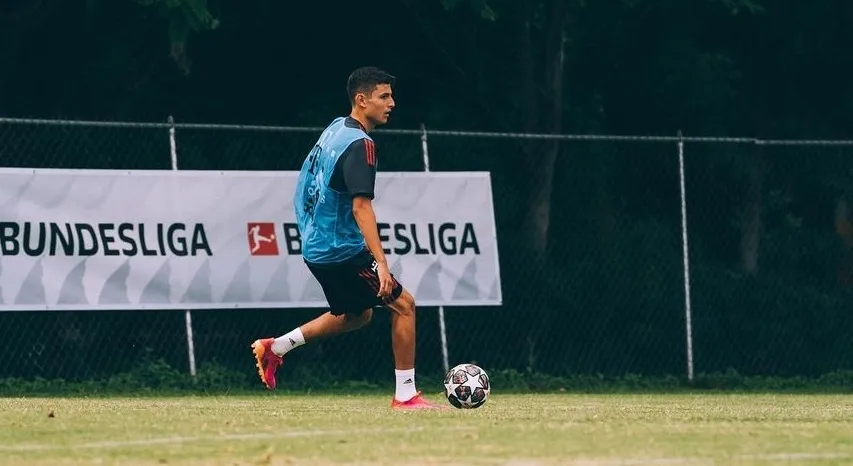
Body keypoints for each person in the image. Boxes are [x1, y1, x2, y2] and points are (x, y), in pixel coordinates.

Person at [251, 66, 445, 410]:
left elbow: (307, 180)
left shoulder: (335, 128)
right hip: (340, 248)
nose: (392, 103)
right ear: (362, 99)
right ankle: (406, 396)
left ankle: (276, 347)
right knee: (405, 306)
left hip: (316, 246)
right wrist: (382, 264)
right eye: (384, 96)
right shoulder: (361, 145)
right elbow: (361, 208)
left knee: (359, 314)